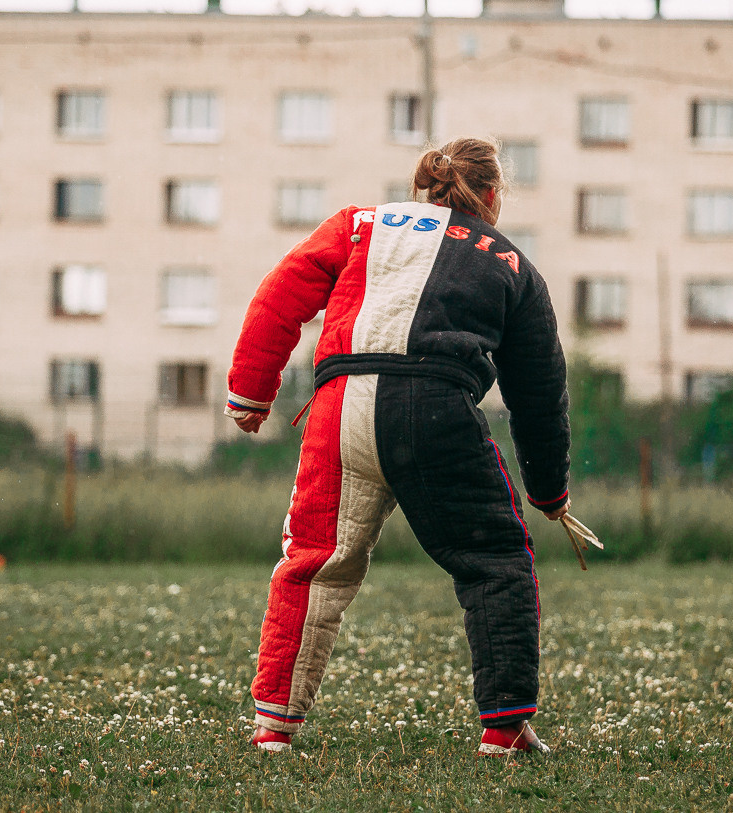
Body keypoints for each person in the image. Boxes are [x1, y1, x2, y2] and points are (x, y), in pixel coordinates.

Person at [225, 136, 570, 757]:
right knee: (495, 561)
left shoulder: (358, 223)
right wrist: (549, 488)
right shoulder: (513, 263)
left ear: (425, 187)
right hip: (438, 409)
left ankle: (274, 727)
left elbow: (280, 294)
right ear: (491, 195)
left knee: (314, 563)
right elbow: (539, 391)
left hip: (338, 409)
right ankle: (504, 727)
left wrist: (251, 394)